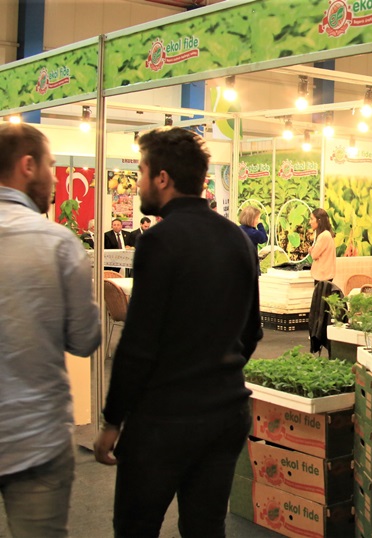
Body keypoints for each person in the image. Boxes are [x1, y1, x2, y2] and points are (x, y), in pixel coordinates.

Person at [93, 127, 262, 537]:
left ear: (163, 179)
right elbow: (253, 330)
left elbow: (139, 343)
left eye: (141, 173)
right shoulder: (237, 239)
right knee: (206, 528)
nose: (137, 186)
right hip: (226, 413)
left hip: (165, 419)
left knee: (137, 526)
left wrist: (113, 420)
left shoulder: (159, 241)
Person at [0, 123, 102, 536]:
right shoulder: (57, 243)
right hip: (36, 439)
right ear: (28, 166)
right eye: (51, 165)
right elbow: (84, 340)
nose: (56, 177)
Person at [307, 207, 336, 283]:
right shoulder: (327, 234)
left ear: (319, 220)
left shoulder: (324, 236)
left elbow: (314, 255)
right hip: (325, 276)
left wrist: (311, 250)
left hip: (323, 276)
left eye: (312, 219)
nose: (310, 222)